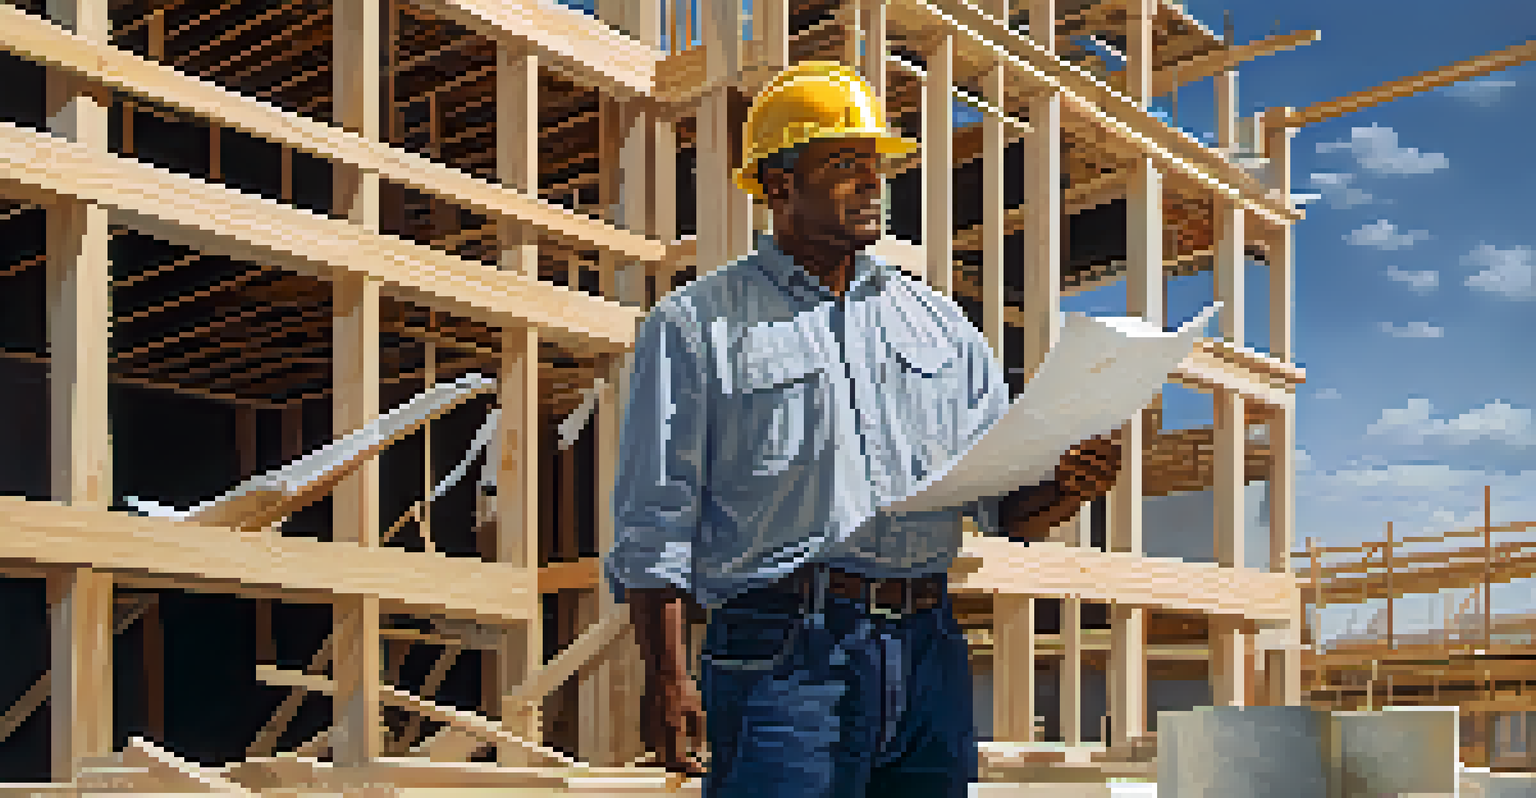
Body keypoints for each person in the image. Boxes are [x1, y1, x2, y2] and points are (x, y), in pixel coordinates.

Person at [604, 62, 1122, 798]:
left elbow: (1001, 505)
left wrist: (1068, 485)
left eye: (875, 165)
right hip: (780, 651)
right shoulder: (696, 326)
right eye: (845, 165)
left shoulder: (940, 325)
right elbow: (655, 519)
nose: (872, 182)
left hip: (928, 648)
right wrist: (666, 677)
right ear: (779, 185)